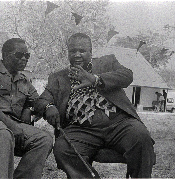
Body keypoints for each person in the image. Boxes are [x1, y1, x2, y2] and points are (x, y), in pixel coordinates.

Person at [35, 33, 155, 178]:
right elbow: (42, 100)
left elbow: (127, 75)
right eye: (73, 51)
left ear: (91, 52)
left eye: (82, 50)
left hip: (119, 123)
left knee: (141, 136)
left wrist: (95, 79)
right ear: (68, 53)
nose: (77, 55)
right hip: (81, 128)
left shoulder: (107, 63)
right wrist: (48, 107)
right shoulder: (58, 78)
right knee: (63, 148)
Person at [0, 38, 53, 178]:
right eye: (19, 55)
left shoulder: (25, 81)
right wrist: (11, 125)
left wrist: (39, 108)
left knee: (44, 139)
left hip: (11, 125)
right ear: (6, 55)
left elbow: (39, 102)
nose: (24, 58)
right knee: (3, 134)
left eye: (27, 55)